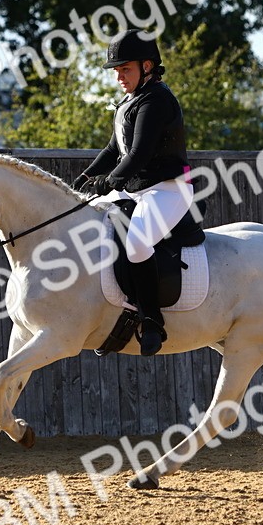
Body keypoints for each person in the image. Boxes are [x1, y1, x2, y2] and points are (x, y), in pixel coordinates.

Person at [73, 29, 194, 356]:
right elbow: (114, 147)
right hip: (137, 190)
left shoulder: (157, 101)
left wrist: (110, 181)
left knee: (138, 241)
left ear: (147, 66)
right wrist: (86, 176)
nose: (119, 77)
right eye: (116, 71)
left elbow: (138, 154)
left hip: (167, 189)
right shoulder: (130, 101)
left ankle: (152, 320)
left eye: (124, 69)